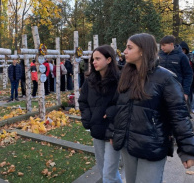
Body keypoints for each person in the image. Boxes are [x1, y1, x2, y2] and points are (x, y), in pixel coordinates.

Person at [111, 33, 194, 183]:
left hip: (152, 145)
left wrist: (187, 149)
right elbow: (120, 107)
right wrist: (113, 131)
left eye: (129, 47)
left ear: (142, 50)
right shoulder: (126, 74)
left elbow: (179, 115)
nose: (125, 51)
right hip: (128, 144)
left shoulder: (165, 78)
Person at [79, 45, 122, 183]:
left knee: (109, 174)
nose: (93, 62)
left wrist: (111, 111)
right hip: (96, 129)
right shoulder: (90, 80)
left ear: (109, 60)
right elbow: (83, 101)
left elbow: (125, 103)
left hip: (113, 130)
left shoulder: (120, 80)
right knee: (104, 170)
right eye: (93, 59)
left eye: (97, 58)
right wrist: (87, 119)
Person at [159, 36, 193, 103]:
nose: (162, 47)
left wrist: (185, 92)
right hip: (160, 90)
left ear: (171, 44)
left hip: (176, 91)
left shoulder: (182, 56)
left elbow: (188, 74)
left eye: (164, 45)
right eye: (161, 45)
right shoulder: (159, 55)